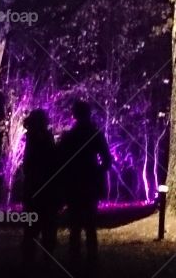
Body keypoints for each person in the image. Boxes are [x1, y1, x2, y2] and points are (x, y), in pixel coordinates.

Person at [57, 101, 112, 267]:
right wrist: (98, 172)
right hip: (89, 183)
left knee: (75, 224)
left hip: (74, 183)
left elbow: (60, 159)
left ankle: (75, 258)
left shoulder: (70, 136)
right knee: (89, 223)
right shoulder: (95, 134)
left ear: (75, 115)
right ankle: (91, 257)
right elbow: (107, 159)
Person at [22, 109, 60, 268]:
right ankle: (45, 259)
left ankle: (31, 260)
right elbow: (51, 162)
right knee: (46, 225)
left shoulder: (32, 138)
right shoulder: (43, 139)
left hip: (33, 188)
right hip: (44, 188)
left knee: (32, 226)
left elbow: (28, 165)